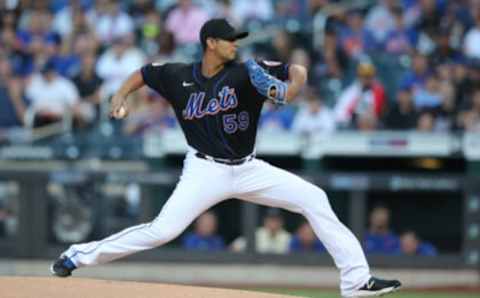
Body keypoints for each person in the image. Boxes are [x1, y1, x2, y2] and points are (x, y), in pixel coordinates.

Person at [51, 18, 401, 298]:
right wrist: (119, 95)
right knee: (162, 230)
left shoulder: (246, 71)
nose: (236, 43)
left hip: (248, 168)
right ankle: (77, 255)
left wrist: (292, 87)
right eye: (230, 39)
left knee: (315, 198)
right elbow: (143, 73)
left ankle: (356, 282)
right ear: (210, 43)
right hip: (204, 170)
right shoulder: (177, 76)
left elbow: (298, 70)